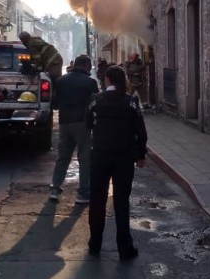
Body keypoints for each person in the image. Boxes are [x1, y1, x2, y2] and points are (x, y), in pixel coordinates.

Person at [85, 64, 148, 261]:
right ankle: (125, 249)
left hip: (100, 155)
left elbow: (88, 122)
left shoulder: (96, 100)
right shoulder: (131, 102)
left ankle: (95, 244)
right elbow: (140, 130)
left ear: (107, 80)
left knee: (97, 200)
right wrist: (141, 155)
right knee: (121, 202)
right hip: (124, 157)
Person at [49, 55, 99, 204]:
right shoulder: (90, 82)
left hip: (64, 123)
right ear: (85, 66)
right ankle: (83, 193)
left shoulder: (61, 81)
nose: (90, 69)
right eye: (89, 66)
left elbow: (55, 104)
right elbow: (95, 103)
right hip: (82, 123)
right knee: (84, 159)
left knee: (63, 157)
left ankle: (54, 189)